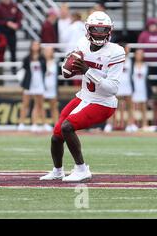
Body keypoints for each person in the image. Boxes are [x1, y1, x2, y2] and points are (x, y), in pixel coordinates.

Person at [40, 11, 125, 182]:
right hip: (83, 96)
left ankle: (82, 169)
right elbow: (67, 70)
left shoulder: (116, 52)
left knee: (67, 127)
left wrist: (87, 70)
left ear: (110, 31)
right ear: (88, 29)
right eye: (96, 29)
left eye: (103, 30)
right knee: (57, 135)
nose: (99, 34)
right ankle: (57, 171)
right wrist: (68, 67)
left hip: (103, 102)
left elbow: (112, 89)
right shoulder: (82, 44)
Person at [104, 43, 135, 133]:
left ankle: (130, 124)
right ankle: (109, 124)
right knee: (112, 106)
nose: (128, 50)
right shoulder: (115, 60)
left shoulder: (131, 61)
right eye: (127, 48)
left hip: (128, 86)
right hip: (117, 86)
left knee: (129, 107)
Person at [18, 41, 47, 132]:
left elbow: (45, 70)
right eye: (34, 45)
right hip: (29, 84)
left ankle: (43, 124)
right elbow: (24, 69)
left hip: (39, 84)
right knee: (25, 104)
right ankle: (21, 123)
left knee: (40, 104)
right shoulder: (27, 58)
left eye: (37, 45)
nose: (35, 46)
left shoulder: (42, 58)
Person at [0, 0, 22, 68]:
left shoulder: (15, 6)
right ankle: (0, 69)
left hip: (12, 33)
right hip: (2, 33)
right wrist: (7, 23)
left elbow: (19, 19)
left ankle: (14, 69)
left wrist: (17, 25)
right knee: (0, 52)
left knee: (13, 52)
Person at [131, 49, 152, 131]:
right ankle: (133, 124)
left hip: (143, 88)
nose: (139, 56)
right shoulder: (132, 65)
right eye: (137, 54)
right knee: (133, 107)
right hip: (134, 88)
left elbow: (148, 80)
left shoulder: (146, 66)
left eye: (140, 54)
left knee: (143, 108)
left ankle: (145, 124)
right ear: (135, 55)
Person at [43, 46, 59, 131]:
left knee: (54, 107)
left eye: (49, 51)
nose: (48, 53)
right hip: (42, 88)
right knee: (41, 106)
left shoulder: (55, 62)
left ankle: (56, 123)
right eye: (46, 51)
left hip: (52, 88)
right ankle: (44, 123)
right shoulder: (41, 61)